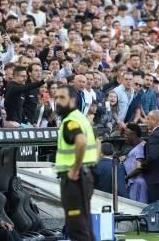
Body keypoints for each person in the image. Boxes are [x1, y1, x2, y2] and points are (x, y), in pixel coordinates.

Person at [54, 84, 99, 241]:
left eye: (62, 97)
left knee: (77, 227)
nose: (57, 101)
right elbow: (98, 142)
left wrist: (75, 169)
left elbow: (80, 141)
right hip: (85, 176)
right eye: (56, 97)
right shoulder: (82, 118)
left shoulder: (70, 121)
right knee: (85, 225)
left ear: (72, 100)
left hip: (75, 179)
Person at [122, 123, 148, 203]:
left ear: (133, 135)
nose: (125, 137)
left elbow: (139, 168)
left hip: (137, 183)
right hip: (134, 183)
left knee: (137, 210)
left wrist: (126, 178)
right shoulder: (137, 147)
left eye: (126, 134)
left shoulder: (140, 147)